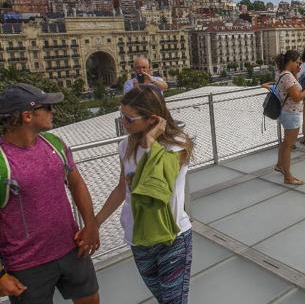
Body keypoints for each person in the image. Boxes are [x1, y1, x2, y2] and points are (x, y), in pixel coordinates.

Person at [0, 83, 100, 304]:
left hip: (72, 250)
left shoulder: (55, 144)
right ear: (27, 116)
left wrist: (91, 225)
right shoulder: (2, 161)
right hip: (27, 266)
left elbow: (77, 184)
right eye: (47, 107)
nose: (52, 112)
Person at [95, 85, 194, 304]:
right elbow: (123, 188)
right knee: (163, 298)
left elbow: (156, 187)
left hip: (173, 238)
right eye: (122, 115)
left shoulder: (176, 147)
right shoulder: (125, 147)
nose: (123, 122)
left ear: (153, 119)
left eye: (129, 118)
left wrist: (150, 143)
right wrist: (96, 222)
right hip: (138, 238)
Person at [262, 51, 305, 185]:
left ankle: (280, 166)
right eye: (298, 62)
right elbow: (297, 97)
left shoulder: (283, 74)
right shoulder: (288, 77)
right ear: (290, 62)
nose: (300, 65)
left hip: (285, 112)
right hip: (291, 114)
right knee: (288, 146)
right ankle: (288, 177)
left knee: (285, 142)